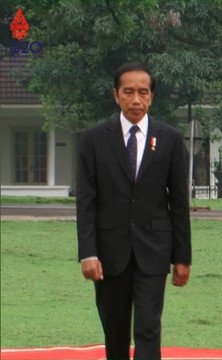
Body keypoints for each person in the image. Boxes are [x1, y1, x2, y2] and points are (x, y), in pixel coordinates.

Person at [76, 62, 192, 360]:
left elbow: (178, 202)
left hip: (153, 252)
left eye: (143, 92)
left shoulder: (169, 139)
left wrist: (182, 257)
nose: (136, 100)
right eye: (128, 92)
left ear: (151, 96)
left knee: (148, 328)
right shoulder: (93, 140)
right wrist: (88, 253)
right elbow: (86, 202)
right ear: (116, 95)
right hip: (108, 253)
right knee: (115, 333)